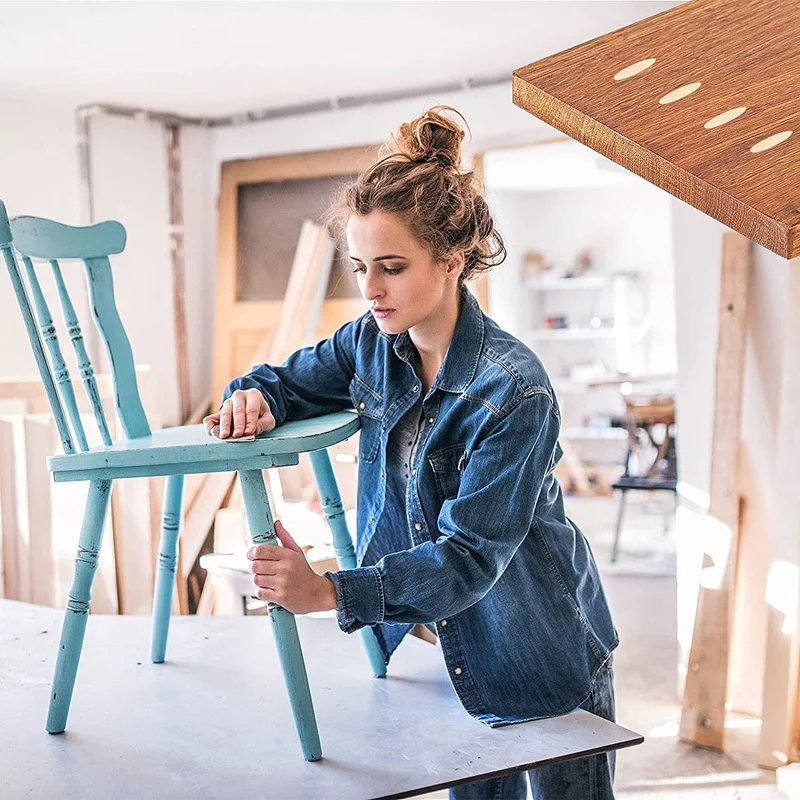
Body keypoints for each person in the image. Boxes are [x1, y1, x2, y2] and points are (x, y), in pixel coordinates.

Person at [204, 106, 618, 800]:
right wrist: (253, 395)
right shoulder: (367, 341)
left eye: (391, 268)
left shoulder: (513, 393)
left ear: (452, 261)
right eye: (361, 266)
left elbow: (465, 560)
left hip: (539, 652)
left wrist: (329, 591)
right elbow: (286, 380)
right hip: (442, 657)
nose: (369, 289)